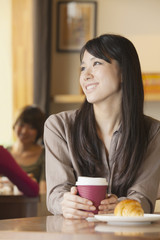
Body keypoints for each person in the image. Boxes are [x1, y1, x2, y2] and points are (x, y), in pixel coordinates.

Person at [44, 34, 160, 219]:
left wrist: (119, 205)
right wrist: (65, 203)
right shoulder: (58, 126)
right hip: (74, 235)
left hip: (128, 236)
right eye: (83, 67)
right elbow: (56, 194)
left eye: (96, 63)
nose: (86, 75)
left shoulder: (153, 132)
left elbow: (143, 200)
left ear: (123, 72)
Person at [7, 105, 46, 194]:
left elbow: (43, 192)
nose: (24, 131)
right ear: (15, 125)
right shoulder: (4, 153)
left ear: (39, 131)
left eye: (31, 127)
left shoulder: (45, 155)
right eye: (21, 125)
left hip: (31, 206)